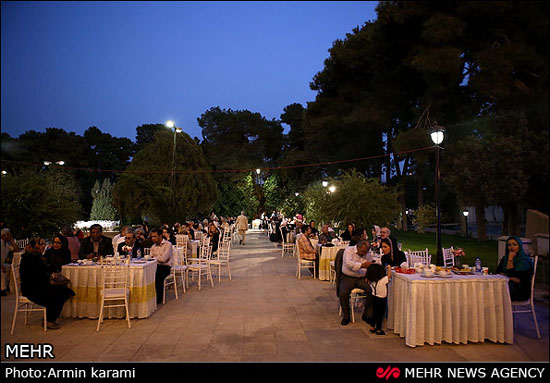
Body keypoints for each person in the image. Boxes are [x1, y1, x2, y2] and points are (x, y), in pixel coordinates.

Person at [19, 238, 75, 329]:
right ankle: (50, 320)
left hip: (39, 286)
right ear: (34, 246)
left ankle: (51, 317)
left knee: (64, 291)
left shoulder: (37, 256)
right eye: (41, 244)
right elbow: (35, 275)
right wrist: (50, 276)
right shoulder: (30, 258)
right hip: (32, 289)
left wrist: (50, 275)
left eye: (44, 244)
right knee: (60, 293)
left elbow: (44, 271)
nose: (43, 246)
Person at [339, 239, 372, 326]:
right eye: (363, 251)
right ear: (358, 247)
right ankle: (346, 316)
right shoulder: (349, 250)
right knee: (343, 293)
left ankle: (367, 314)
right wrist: (361, 265)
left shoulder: (368, 254)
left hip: (362, 278)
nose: (364, 254)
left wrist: (369, 275)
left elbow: (370, 265)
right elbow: (348, 263)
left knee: (372, 290)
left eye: (366, 252)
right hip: (348, 277)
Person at [496, 236, 534, 301]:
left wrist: (510, 260)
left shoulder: (523, 260)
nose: (511, 247)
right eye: (509, 245)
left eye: (514, 245)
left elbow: (517, 278)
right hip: (507, 285)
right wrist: (507, 277)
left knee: (498, 291)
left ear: (519, 246)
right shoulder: (505, 258)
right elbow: (497, 272)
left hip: (520, 290)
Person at [366, 263, 392, 335]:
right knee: (380, 315)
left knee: (374, 313)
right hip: (381, 299)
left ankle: (372, 327)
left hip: (374, 298)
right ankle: (379, 330)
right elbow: (389, 276)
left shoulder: (371, 281)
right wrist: (389, 268)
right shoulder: (383, 280)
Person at [150, 229, 173, 304]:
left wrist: (154, 258)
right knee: (147, 274)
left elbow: (164, 259)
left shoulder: (168, 244)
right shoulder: (153, 246)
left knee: (157, 275)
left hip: (165, 267)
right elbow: (151, 258)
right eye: (152, 237)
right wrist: (155, 258)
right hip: (155, 266)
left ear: (160, 236)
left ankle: (159, 299)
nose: (153, 238)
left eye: (154, 236)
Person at [1, 228, 19, 296]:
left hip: (2, 263)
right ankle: (2, 290)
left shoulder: (6, 244)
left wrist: (12, 241)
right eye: (8, 235)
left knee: (9, 267)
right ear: (3, 236)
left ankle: (8, 286)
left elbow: (16, 250)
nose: (10, 236)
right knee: (2, 271)